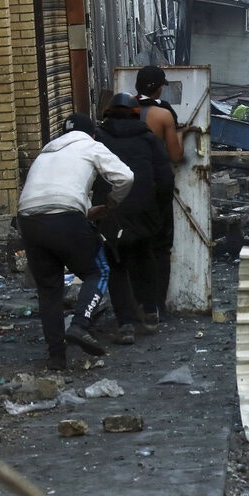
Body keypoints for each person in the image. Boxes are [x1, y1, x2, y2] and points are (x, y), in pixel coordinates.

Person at [17, 113, 134, 370]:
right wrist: (113, 202)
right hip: (65, 217)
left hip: (28, 219)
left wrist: (85, 210)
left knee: (49, 290)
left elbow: (50, 192)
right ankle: (81, 324)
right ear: (92, 134)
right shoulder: (90, 145)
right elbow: (125, 177)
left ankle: (56, 357)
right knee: (98, 270)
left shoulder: (46, 152)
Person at [95, 93, 173, 342]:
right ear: (136, 114)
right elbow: (165, 180)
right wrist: (157, 213)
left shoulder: (98, 140)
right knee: (144, 260)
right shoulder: (149, 140)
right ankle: (150, 312)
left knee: (116, 265)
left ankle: (125, 323)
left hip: (111, 212)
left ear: (107, 113)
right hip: (143, 214)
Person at [134, 65, 181, 321]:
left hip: (126, 186)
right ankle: (156, 306)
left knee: (133, 244)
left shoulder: (118, 110)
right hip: (156, 185)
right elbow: (176, 155)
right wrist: (182, 134)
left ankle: (134, 303)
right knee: (160, 247)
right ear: (160, 87)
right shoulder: (163, 115)